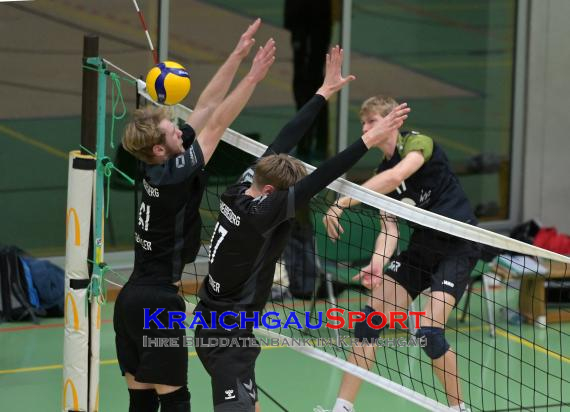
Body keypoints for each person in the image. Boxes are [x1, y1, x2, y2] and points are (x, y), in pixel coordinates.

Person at [194, 46, 411, 412]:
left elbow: (284, 140)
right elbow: (323, 175)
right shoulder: (263, 213)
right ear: (270, 193)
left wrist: (323, 92)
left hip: (217, 324)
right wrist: (369, 140)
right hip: (226, 337)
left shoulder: (240, 187)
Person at [113, 18, 276, 412]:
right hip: (159, 304)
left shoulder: (156, 164)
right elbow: (217, 120)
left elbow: (204, 106)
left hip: (129, 300)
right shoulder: (174, 174)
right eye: (173, 130)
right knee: (176, 401)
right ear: (159, 148)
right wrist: (252, 77)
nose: (179, 129)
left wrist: (236, 55)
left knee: (141, 399)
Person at [320, 95, 480, 412]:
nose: (365, 128)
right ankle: (342, 407)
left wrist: (342, 202)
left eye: (372, 122)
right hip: (422, 248)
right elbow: (389, 229)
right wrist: (377, 265)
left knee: (429, 333)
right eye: (363, 123)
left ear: (393, 120)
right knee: (368, 322)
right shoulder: (382, 170)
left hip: (457, 245)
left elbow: (397, 177)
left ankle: (458, 408)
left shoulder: (418, 144)